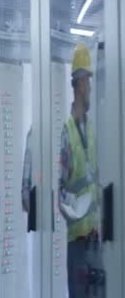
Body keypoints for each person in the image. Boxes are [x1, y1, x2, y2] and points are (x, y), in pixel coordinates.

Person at [58, 43, 104, 298]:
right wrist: (78, 209)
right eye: (87, 81)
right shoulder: (67, 132)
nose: (90, 88)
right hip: (77, 242)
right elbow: (59, 190)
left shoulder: (93, 131)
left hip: (96, 239)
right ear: (78, 84)